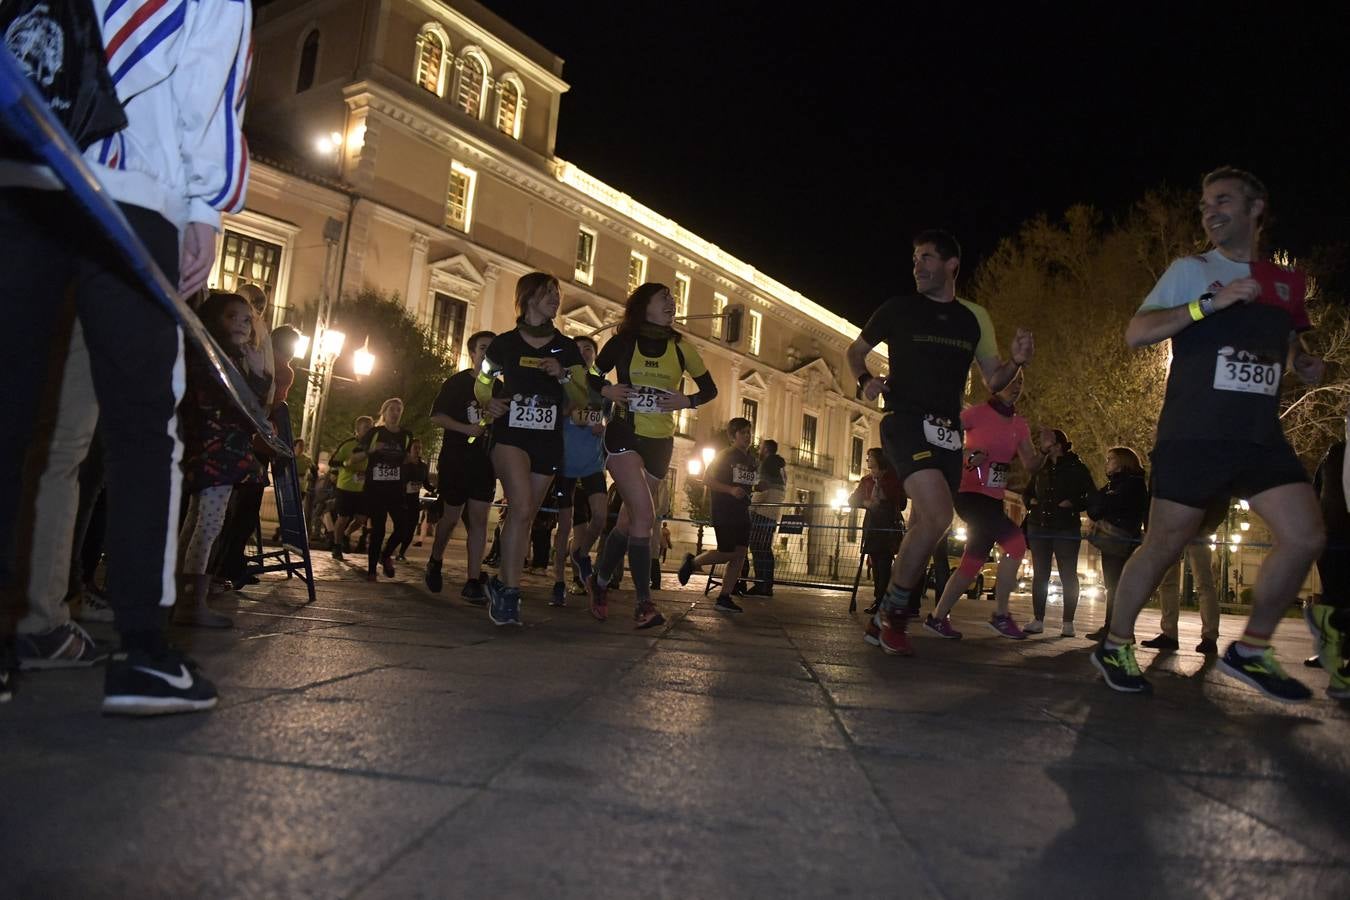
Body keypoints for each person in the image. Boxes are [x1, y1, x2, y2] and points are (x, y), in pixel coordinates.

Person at [0, 0, 253, 712]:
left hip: (24, 175)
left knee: (10, 413)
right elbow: (208, 84)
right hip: (133, 193)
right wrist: (206, 208)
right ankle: (143, 650)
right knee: (144, 430)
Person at [1093, 167, 1326, 700]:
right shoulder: (1193, 269)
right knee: (1164, 543)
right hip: (1195, 433)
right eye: (1203, 204)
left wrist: (1303, 361)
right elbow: (1137, 332)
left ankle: (1250, 649)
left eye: (1222, 200)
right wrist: (1208, 304)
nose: (1210, 211)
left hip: (1259, 436)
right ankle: (1116, 642)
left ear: (1256, 207)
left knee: (1307, 536)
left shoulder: (1287, 282)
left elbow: (1286, 342)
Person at [846, 230, 1033, 657]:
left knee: (925, 525)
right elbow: (854, 352)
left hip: (950, 433)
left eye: (927, 258)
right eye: (914, 258)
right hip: (905, 420)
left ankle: (881, 621)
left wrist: (1017, 361)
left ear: (952, 266)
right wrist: (866, 380)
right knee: (936, 516)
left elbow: (995, 379)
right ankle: (894, 616)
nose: (917, 265)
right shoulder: (897, 309)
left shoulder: (973, 318)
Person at [588, 282, 717, 627]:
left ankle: (599, 583)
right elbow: (589, 373)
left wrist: (686, 401)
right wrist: (607, 389)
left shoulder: (682, 347)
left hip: (661, 442)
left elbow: (710, 389)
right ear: (645, 306)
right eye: (665, 298)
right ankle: (644, 603)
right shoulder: (623, 341)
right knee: (645, 516)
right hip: (624, 433)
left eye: (673, 299)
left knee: (629, 522)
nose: (672, 303)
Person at [475, 273, 589, 625]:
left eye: (557, 293)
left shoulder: (566, 348)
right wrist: (489, 402)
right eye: (548, 292)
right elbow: (483, 381)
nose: (556, 298)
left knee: (525, 516)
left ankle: (499, 583)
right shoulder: (504, 344)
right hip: (510, 434)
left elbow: (583, 396)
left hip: (548, 441)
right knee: (521, 506)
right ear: (528, 297)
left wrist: (564, 375)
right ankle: (510, 595)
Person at [175, 292, 272, 628]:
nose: (243, 325)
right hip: (220, 449)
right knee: (210, 523)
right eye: (233, 317)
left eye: (247, 319)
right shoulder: (219, 359)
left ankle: (182, 594)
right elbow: (247, 407)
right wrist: (259, 376)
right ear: (215, 319)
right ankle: (192, 603)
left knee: (197, 518)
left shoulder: (210, 354)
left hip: (209, 446)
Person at [924, 372, 1040, 640]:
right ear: (995, 384)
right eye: (1011, 382)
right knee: (1016, 544)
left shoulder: (1019, 424)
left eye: (1020, 383)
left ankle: (937, 618)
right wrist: (967, 456)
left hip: (994, 499)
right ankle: (1000, 615)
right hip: (969, 493)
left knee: (971, 563)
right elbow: (942, 439)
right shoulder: (975, 414)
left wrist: (1044, 452)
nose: (1016, 388)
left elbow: (1031, 464)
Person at [425, 331, 496, 602]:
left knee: (478, 520)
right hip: (456, 459)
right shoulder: (457, 383)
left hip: (484, 464)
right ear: (473, 353)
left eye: (492, 349)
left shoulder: (499, 389)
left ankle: (472, 580)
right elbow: (437, 416)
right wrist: (466, 428)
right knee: (451, 518)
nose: (487, 353)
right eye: (483, 348)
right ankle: (435, 559)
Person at [549, 335, 609, 607]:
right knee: (564, 526)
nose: (584, 353)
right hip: (564, 463)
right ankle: (559, 581)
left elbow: (610, 418)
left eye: (589, 349)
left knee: (600, 516)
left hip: (593, 463)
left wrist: (604, 427)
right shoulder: (560, 383)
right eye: (579, 349)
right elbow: (550, 416)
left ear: (594, 356)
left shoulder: (601, 387)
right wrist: (566, 409)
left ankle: (582, 554)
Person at [678, 418, 756, 614]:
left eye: (749, 432)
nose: (747, 436)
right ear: (732, 436)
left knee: (739, 554)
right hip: (725, 510)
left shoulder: (750, 459)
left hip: (742, 512)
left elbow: (747, 483)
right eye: (743, 433)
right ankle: (693, 562)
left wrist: (757, 487)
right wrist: (730, 490)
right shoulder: (725, 456)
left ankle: (724, 596)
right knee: (727, 552)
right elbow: (707, 479)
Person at [1022, 428, 1094, 637]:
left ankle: (1068, 622)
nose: (1042, 445)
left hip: (1065, 526)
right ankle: (1038, 619)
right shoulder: (1041, 467)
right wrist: (1030, 501)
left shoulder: (1076, 468)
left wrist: (1073, 503)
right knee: (1040, 574)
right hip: (1040, 524)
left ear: (1058, 444)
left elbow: (1089, 494)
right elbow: (1027, 492)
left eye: (1047, 442)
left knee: (1068, 574)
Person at [1084, 447, 1150, 642]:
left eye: (1110, 459)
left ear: (1122, 462)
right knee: (1112, 586)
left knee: (1117, 586)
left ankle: (1118, 629)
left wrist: (1104, 503)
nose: (1107, 463)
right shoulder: (1115, 484)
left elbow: (1108, 505)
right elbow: (1094, 507)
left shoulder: (1133, 484)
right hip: (1113, 540)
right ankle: (1111, 626)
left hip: (1122, 539)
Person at [1305, 437, 1348, 698]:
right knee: (1336, 597)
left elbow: (1315, 490)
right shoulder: (1334, 453)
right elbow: (1316, 489)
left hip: (1334, 535)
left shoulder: (1334, 453)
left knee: (1338, 597)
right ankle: (1331, 652)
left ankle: (1337, 655)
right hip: (1335, 534)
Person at [354, 399, 413, 582]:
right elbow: (355, 457)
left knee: (404, 527)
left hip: (396, 489)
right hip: (376, 489)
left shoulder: (406, 435)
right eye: (392, 409)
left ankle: (386, 555)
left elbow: (405, 459)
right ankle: (372, 570)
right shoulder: (374, 432)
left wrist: (410, 461)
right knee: (378, 530)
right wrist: (372, 450)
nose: (395, 413)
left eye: (399, 410)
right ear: (384, 412)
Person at [850, 448, 906, 616]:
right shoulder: (866, 480)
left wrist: (886, 496)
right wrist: (866, 503)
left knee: (884, 562)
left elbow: (901, 503)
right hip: (872, 523)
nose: (867, 459)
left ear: (879, 460)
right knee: (875, 562)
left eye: (870, 457)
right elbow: (852, 499)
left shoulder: (892, 479)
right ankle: (879, 598)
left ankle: (883, 599)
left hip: (888, 523)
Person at [746, 438, 787, 597]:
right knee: (766, 550)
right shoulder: (781, 468)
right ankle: (767, 585)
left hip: (761, 514)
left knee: (757, 549)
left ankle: (760, 585)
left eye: (762, 447)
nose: (760, 450)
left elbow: (762, 490)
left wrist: (751, 507)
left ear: (766, 449)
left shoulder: (766, 464)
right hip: (773, 514)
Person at [329, 417, 373, 559]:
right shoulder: (348, 444)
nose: (368, 430)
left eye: (370, 427)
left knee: (361, 519)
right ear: (358, 429)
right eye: (366, 427)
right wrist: (347, 463)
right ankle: (336, 546)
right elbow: (333, 462)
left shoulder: (372, 446)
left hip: (363, 488)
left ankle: (346, 535)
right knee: (343, 518)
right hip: (345, 487)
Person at [394, 439, 428, 561]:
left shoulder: (423, 466)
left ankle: (402, 553)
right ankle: (389, 550)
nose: (417, 450)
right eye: (415, 447)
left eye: (419, 448)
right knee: (400, 528)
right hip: (402, 500)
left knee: (411, 529)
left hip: (414, 501)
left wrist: (434, 491)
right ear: (410, 449)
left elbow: (426, 483)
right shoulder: (404, 465)